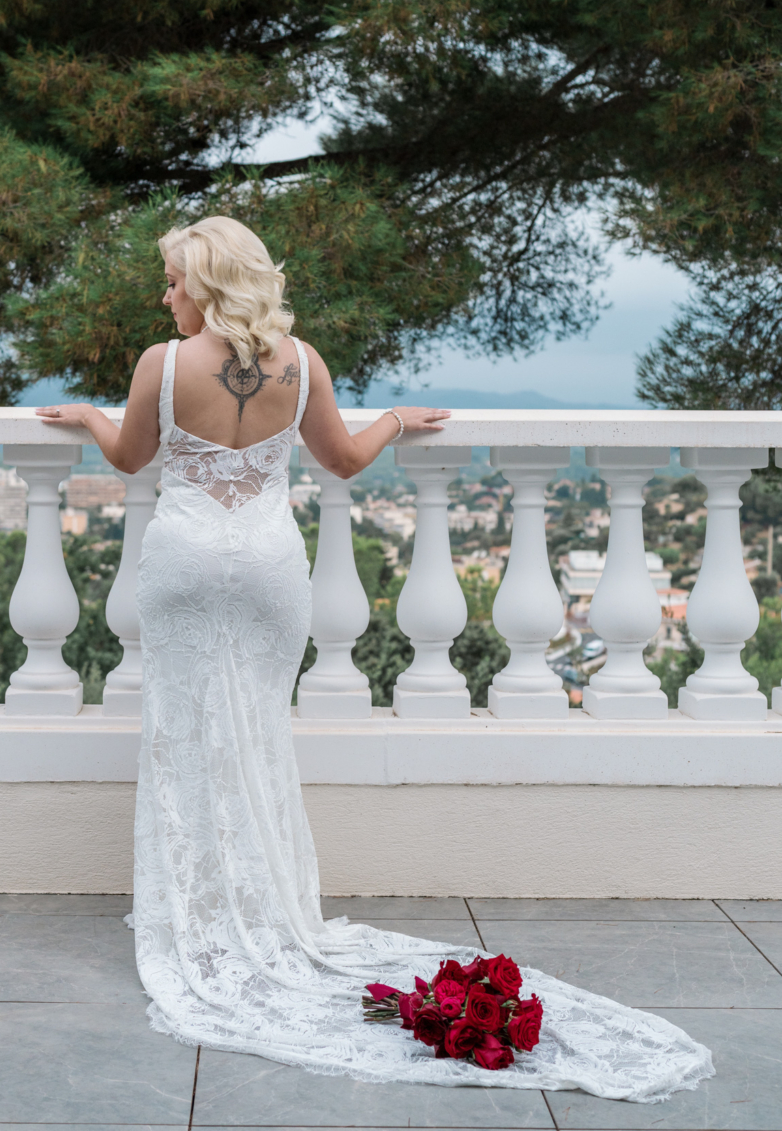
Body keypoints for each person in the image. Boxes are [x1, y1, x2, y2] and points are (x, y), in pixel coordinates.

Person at [37, 216, 712, 1102]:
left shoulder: (162, 364)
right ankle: (268, 911)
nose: (164, 296)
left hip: (186, 568)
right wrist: (395, 418)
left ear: (203, 285)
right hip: (272, 570)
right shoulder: (301, 361)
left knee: (185, 738)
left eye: (171, 281)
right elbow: (345, 462)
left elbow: (130, 458)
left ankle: (200, 915)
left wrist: (86, 414)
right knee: (259, 740)